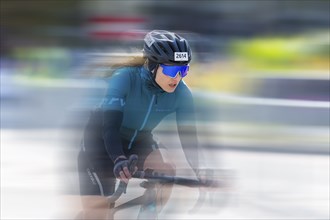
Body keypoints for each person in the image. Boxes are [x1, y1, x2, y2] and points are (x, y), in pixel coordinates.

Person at [77, 30, 206, 219]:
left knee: (167, 169)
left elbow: (189, 139)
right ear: (152, 65)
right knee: (99, 214)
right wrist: (118, 159)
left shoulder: (183, 93)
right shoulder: (125, 78)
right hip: (100, 144)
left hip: (139, 141)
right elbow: (110, 129)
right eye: (171, 70)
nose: (177, 78)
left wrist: (200, 170)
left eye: (183, 70)